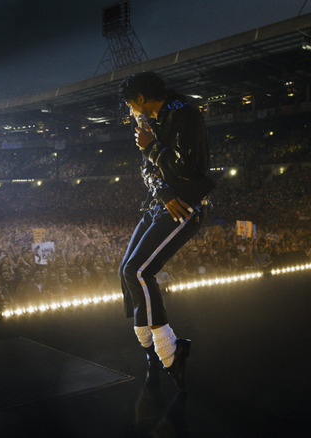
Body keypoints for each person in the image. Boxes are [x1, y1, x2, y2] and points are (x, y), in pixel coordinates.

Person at [117, 71, 215, 392]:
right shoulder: (149, 122)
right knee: (126, 272)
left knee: (140, 272)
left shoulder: (184, 114)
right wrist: (162, 191)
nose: (130, 110)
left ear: (142, 99)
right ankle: (150, 349)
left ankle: (171, 353)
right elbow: (147, 169)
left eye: (131, 103)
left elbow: (188, 168)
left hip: (186, 205)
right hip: (162, 202)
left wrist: (153, 147)